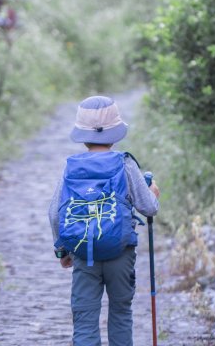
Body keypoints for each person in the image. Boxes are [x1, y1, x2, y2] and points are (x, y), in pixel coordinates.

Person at [49, 96, 160, 346]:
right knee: (120, 313)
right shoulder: (125, 164)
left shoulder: (71, 167)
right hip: (120, 253)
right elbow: (149, 208)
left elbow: (55, 213)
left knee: (85, 318)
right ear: (115, 133)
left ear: (82, 134)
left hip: (82, 253)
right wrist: (153, 193)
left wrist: (62, 250)